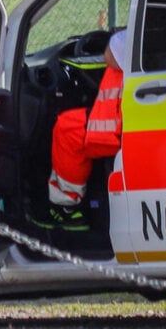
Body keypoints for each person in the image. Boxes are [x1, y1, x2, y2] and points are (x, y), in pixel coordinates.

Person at [44, 29, 126, 230]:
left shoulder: (143, 29)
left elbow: (113, 54)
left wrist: (120, 33)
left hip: (122, 122)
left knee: (68, 128)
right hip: (135, 116)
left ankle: (68, 208)